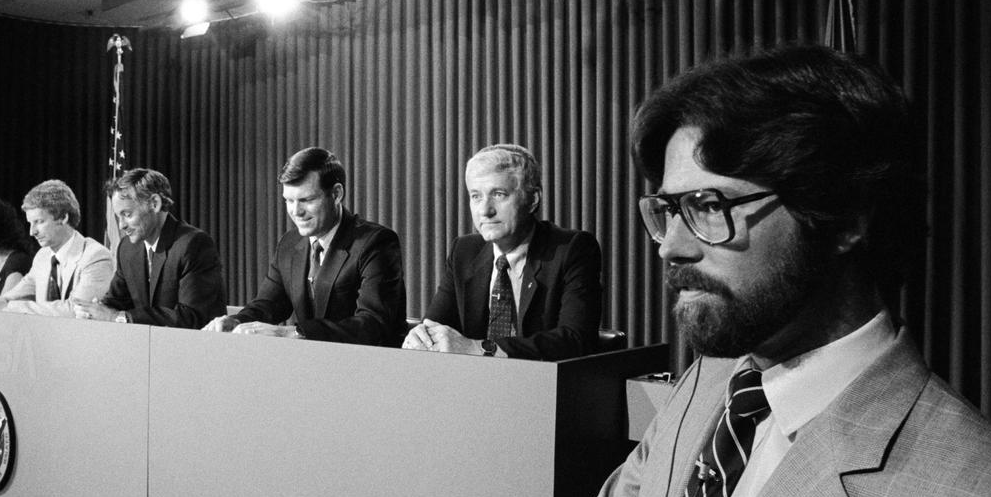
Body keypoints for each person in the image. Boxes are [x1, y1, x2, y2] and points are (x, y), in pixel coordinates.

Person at [263, 46, 991, 497]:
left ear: (847, 216)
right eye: (664, 211)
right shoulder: (711, 386)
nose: (669, 247)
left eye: (708, 206)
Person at [402, 144, 602, 360]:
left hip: (540, 386)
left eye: (498, 194)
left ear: (533, 199)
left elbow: (575, 339)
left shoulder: (572, 249)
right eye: (476, 196)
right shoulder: (464, 251)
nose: (485, 211)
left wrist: (481, 348)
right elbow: (434, 326)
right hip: (471, 386)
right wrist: (421, 338)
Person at [203, 147, 406, 346]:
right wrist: (236, 322)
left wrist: (292, 333)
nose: (295, 211)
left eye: (306, 200)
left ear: (336, 194)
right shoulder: (289, 244)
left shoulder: (376, 242)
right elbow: (267, 305)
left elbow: (372, 325)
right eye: (288, 201)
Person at [72, 168, 226, 327]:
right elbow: (116, 301)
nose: (122, 225)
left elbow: (190, 316)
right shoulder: (126, 249)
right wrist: (95, 310)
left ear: (154, 204)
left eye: (127, 214)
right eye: (118, 217)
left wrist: (119, 317)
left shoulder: (193, 244)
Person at [0, 180, 112, 316]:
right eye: (30, 223)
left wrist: (6, 307)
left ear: (63, 217)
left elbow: (75, 310)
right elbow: (18, 293)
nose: (32, 232)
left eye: (39, 222)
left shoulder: (96, 256)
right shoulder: (43, 256)